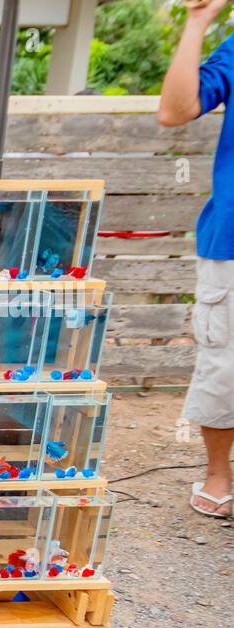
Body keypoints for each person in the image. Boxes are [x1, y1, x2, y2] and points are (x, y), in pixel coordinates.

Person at [159, 0, 234, 517]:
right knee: (224, 364)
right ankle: (218, 473)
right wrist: (198, 21)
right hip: (231, 239)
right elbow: (175, 109)